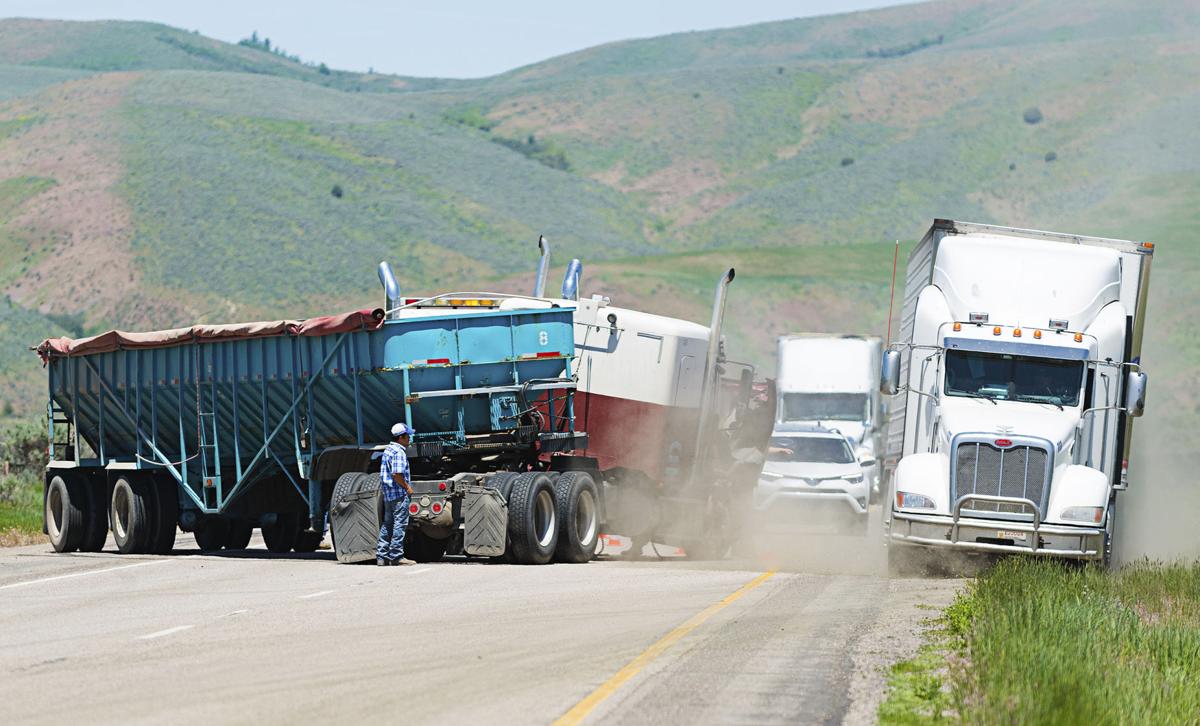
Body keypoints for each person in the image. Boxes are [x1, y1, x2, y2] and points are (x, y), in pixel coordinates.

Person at [378, 422, 416, 566]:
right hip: (399, 494)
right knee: (400, 524)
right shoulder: (399, 452)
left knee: (388, 524)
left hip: (388, 494)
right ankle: (396, 556)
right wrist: (407, 488)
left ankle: (381, 556)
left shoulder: (388, 450)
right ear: (401, 437)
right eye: (408, 436)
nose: (409, 439)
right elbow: (397, 474)